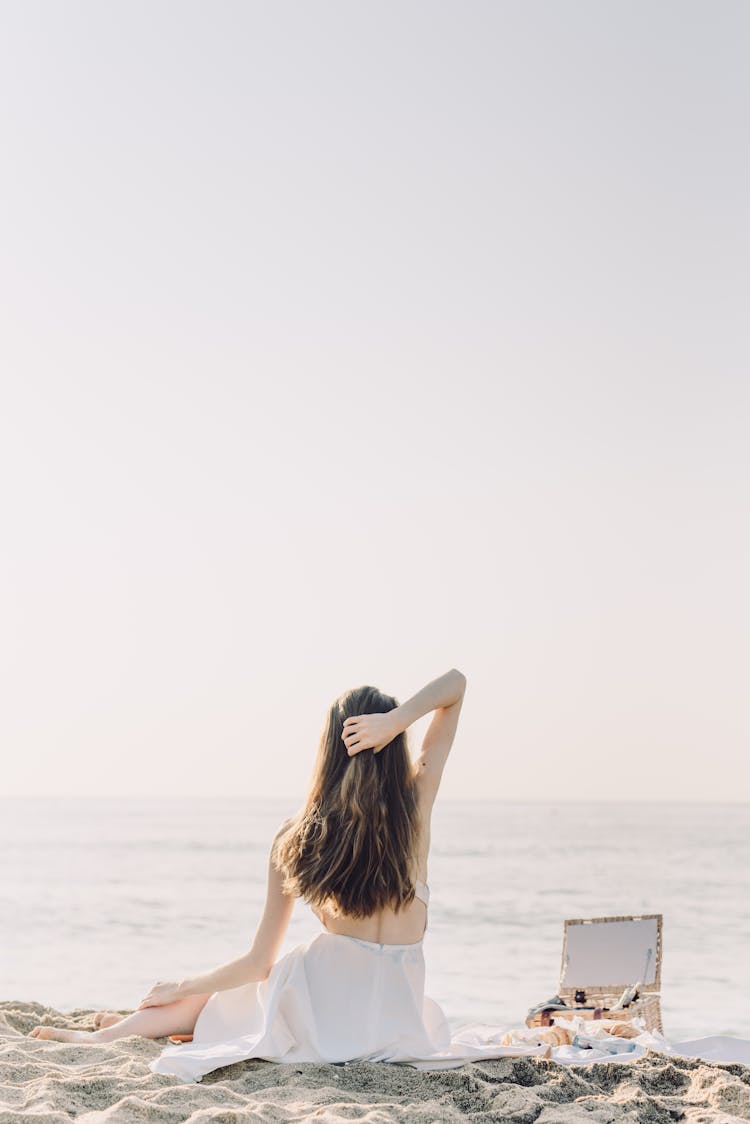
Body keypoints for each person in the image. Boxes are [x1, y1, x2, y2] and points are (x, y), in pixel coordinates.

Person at [28, 669, 549, 1079]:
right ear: (395, 749)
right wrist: (399, 720)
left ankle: (108, 1034)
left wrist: (182, 983)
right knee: (235, 1005)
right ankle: (131, 1022)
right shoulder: (416, 810)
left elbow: (259, 963)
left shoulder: (297, 836)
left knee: (222, 1002)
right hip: (398, 1026)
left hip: (323, 1016)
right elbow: (455, 684)